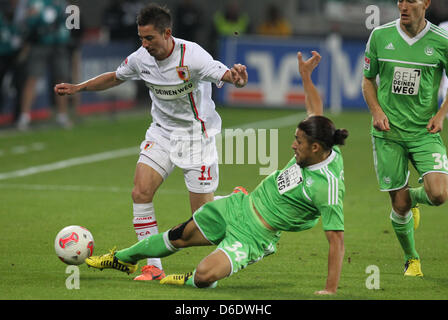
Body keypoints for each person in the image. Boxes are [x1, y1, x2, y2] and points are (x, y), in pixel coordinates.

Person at [84, 51, 348, 295]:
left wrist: (330, 290)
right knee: (178, 236)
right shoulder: (317, 140)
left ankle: (186, 278)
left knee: (204, 276)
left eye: (298, 142)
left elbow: (336, 241)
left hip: (255, 235)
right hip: (239, 206)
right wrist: (305, 76)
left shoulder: (327, 186)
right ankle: (121, 259)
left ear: (315, 148)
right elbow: (315, 109)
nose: (293, 145)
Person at [54, 4, 248, 281]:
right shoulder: (141, 58)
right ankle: (152, 265)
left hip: (196, 138)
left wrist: (236, 79)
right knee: (140, 192)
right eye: (141, 38)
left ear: (167, 33)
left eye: (150, 39)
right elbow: (114, 77)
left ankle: (232, 201)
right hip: (161, 133)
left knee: (203, 221)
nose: (144, 45)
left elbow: (225, 74)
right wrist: (79, 87)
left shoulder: (192, 56)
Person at [362, 0, 448, 277]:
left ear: (426, 3)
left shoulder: (441, 41)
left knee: (439, 194)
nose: (403, 5)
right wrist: (376, 111)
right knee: (399, 207)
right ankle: (412, 259)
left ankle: (413, 197)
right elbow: (367, 80)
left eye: (411, 0)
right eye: (400, 0)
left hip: (424, 132)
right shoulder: (380, 36)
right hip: (389, 133)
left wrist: (442, 114)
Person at [17, 0, 73, 130]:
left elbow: (70, 22)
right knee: (32, 78)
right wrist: (37, 18)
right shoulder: (35, 2)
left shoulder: (61, 3)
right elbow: (28, 22)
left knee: (61, 79)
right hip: (39, 43)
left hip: (58, 43)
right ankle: (24, 117)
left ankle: (62, 116)